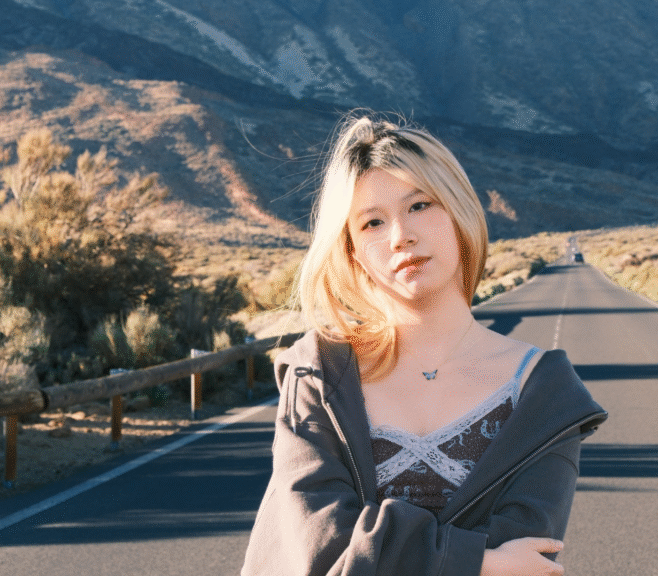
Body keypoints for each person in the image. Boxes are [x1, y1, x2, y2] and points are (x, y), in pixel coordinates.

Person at [241, 113, 607, 576]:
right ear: (352, 251)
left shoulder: (545, 393)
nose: (401, 237)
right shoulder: (318, 373)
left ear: (458, 212)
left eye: (419, 205)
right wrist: (477, 562)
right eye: (372, 223)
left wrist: (380, 549)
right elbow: (319, 543)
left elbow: (526, 557)